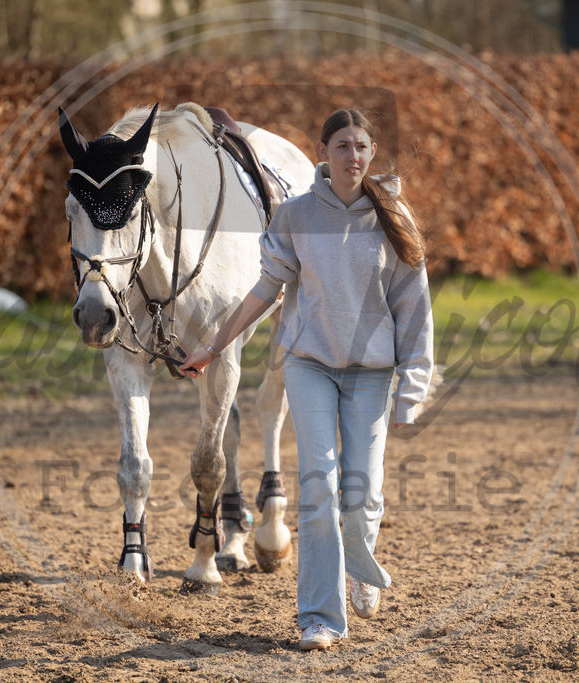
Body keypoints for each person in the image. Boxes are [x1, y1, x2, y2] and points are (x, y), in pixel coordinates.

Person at [179, 108, 434, 651]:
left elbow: (414, 308)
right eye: (342, 146)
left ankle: (361, 565)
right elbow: (264, 290)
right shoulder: (295, 215)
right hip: (310, 366)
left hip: (371, 374)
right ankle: (319, 617)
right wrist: (212, 346)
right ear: (323, 153)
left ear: (370, 152)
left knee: (362, 494)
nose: (353, 156)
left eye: (362, 146)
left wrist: (411, 387)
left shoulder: (392, 216)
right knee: (318, 488)